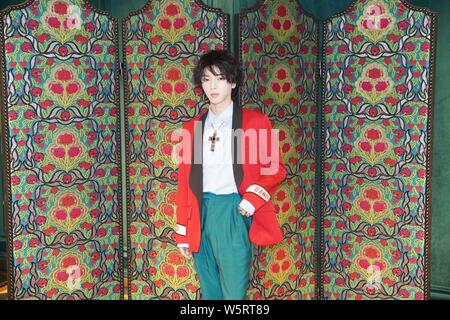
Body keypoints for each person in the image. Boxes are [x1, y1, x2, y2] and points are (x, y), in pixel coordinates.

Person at [174, 49, 286, 300]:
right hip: (200, 211)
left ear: (233, 82)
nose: (212, 86)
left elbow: (275, 169)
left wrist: (251, 200)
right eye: (206, 79)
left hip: (234, 211)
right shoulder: (191, 128)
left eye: (220, 78)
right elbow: (184, 184)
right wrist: (183, 231)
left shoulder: (254, 122)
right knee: (209, 289)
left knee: (234, 292)